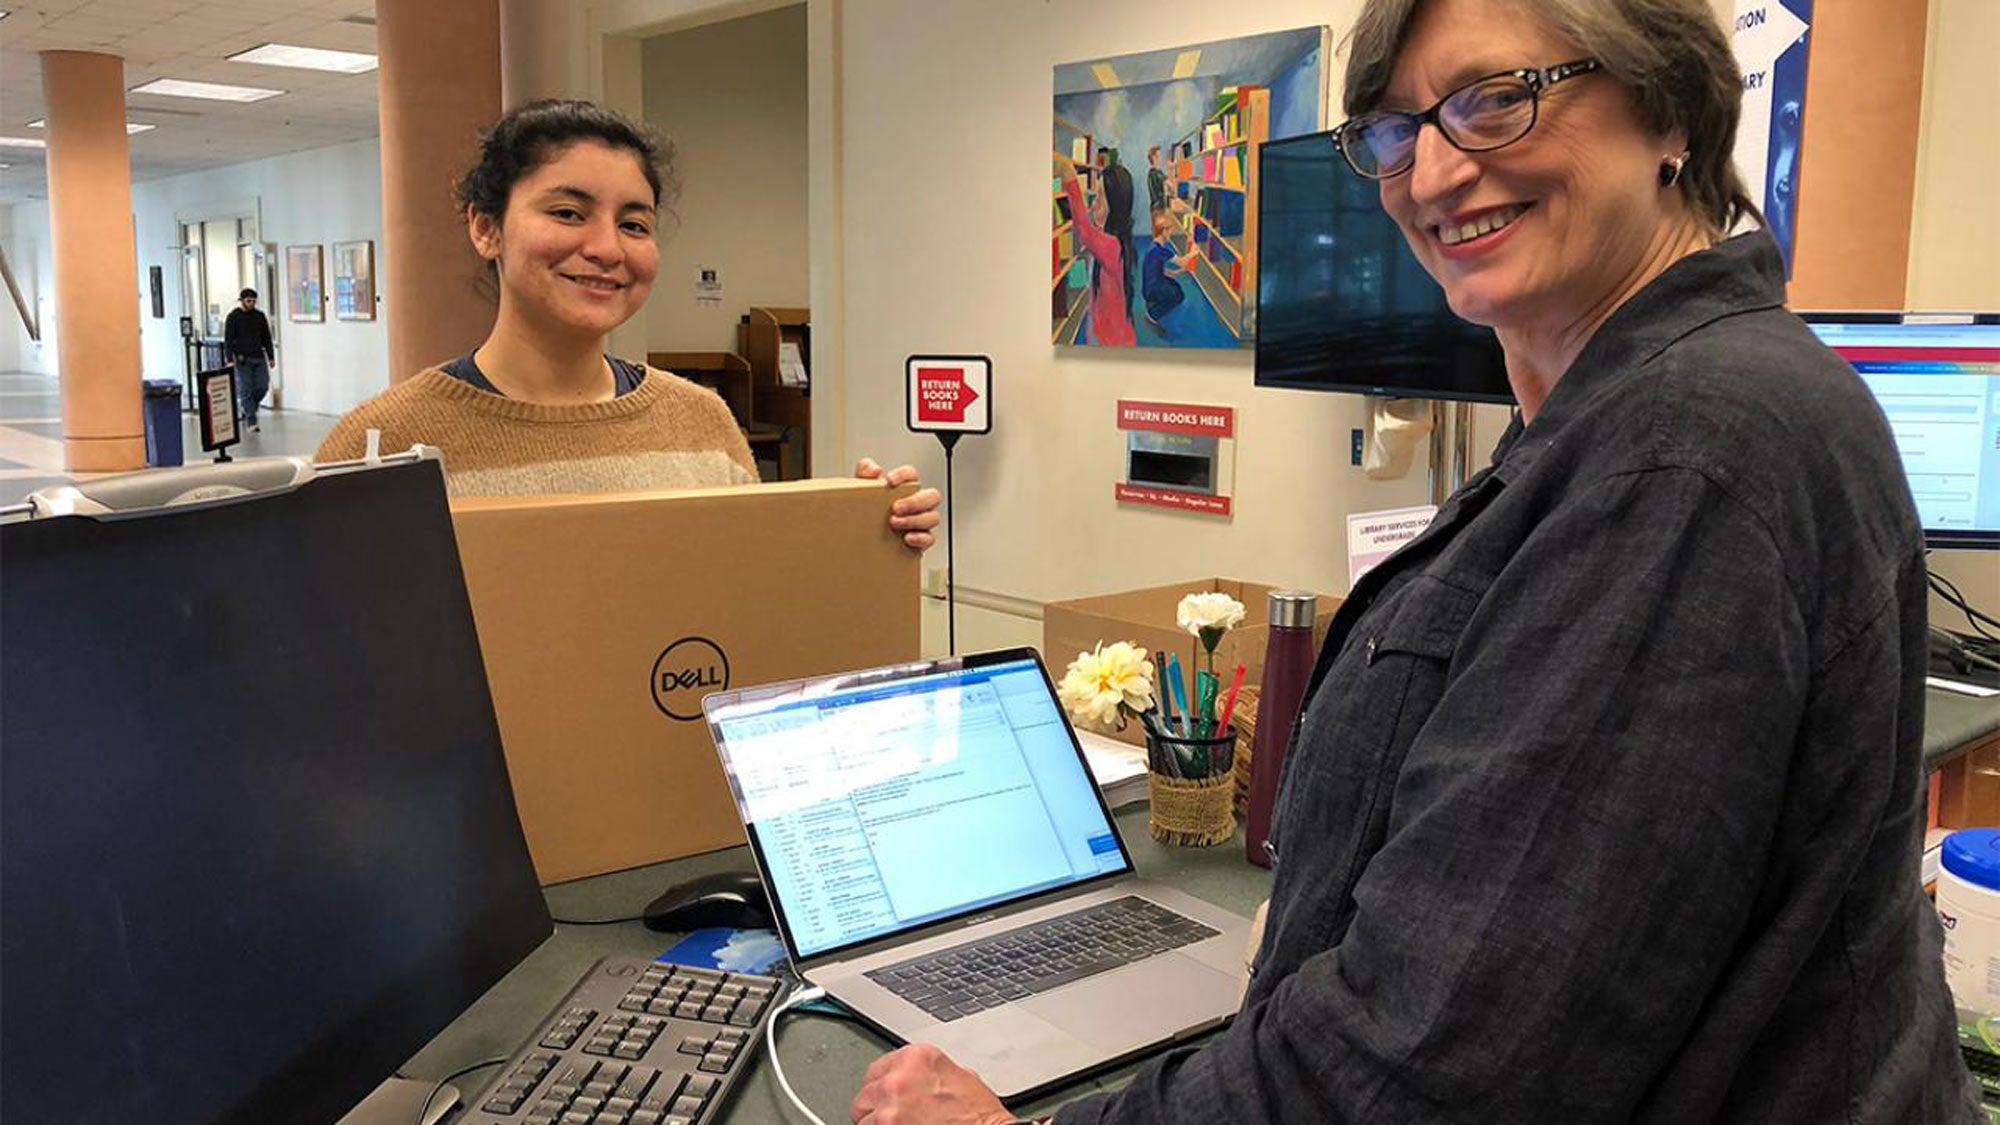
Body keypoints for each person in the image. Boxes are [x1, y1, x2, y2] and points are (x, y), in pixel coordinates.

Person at [853, 0, 1978, 1121]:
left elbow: (1441, 1054)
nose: (1432, 176)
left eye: (1494, 101)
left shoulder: (1685, 449)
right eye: (1395, 133)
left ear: (1666, 109)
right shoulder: (1619, 419)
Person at [316, 100, 938, 549]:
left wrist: (863, 534)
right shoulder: (381, 444)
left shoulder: (700, 422)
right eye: (567, 212)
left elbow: (748, 596)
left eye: (635, 224)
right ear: (486, 227)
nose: (608, 248)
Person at [1056, 155, 1136, 347]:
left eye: (1100, 197)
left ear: (1116, 205)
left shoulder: (1111, 246)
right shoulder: (1114, 242)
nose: (1093, 204)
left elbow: (1083, 230)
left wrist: (1069, 176)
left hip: (1112, 342)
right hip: (1107, 336)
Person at [223, 288, 274, 432]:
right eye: (248, 301)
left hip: (258, 356)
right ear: (242, 301)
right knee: (246, 389)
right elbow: (228, 339)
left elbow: (266, 337)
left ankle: (248, 407)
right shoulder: (233, 317)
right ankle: (251, 421)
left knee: (262, 386)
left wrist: (270, 356)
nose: (251, 304)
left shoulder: (259, 316)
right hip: (242, 359)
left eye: (253, 301)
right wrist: (229, 357)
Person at [1139, 209, 1192, 326]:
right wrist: (1193, 252)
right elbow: (1182, 262)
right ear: (1163, 231)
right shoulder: (1160, 251)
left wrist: (1177, 272)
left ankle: (1153, 301)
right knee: (1178, 296)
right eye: (1170, 230)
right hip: (1152, 288)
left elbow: (1160, 270)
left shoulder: (1153, 247)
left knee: (1176, 288)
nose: (1171, 233)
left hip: (1150, 285)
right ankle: (1153, 314)